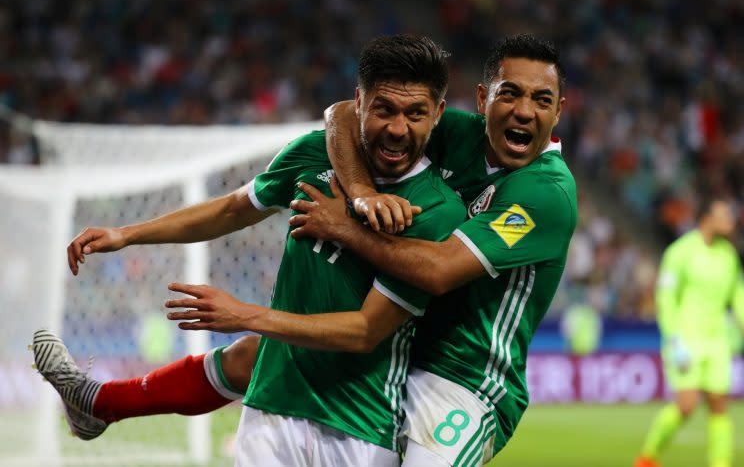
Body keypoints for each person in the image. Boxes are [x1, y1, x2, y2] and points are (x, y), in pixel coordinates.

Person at [33, 34, 466, 466]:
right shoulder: (314, 154)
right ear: (360, 102)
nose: (396, 129)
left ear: (438, 115)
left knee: (244, 354)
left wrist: (243, 315)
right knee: (246, 357)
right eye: (384, 110)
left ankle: (99, 403)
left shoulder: (436, 210)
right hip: (270, 415)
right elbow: (230, 210)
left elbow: (364, 332)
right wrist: (128, 234)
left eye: (415, 114)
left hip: (360, 428)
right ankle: (99, 404)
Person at [287, 33, 577, 466]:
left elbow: (439, 271)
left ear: (558, 112)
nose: (523, 111)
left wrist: (347, 228)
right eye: (509, 94)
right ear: (483, 99)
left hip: (468, 384)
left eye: (541, 100)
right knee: (253, 360)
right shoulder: (460, 136)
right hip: (397, 358)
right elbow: (342, 114)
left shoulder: (548, 193)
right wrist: (363, 192)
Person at [635, 199, 744, 467]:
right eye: (724, 215)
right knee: (687, 405)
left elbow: (738, 296)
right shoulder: (681, 252)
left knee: (719, 405)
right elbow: (666, 296)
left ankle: (721, 464)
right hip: (686, 338)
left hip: (718, 339)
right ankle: (648, 458)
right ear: (707, 218)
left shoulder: (727, 255)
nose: (730, 221)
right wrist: (673, 337)